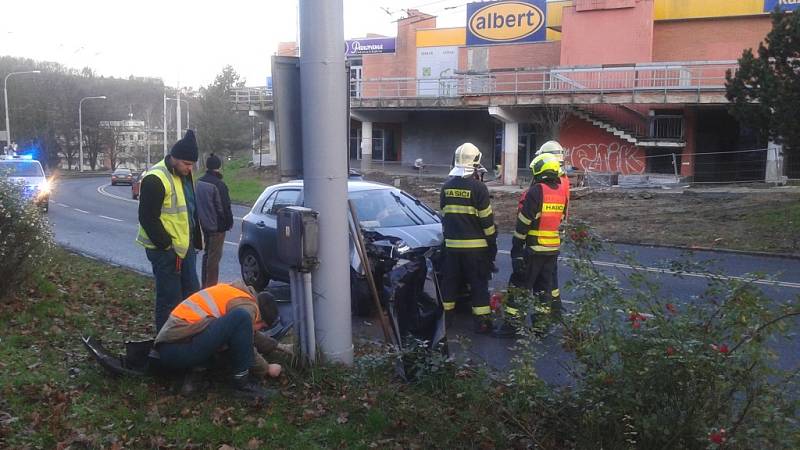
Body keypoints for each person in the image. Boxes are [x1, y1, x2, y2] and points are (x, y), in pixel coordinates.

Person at [154, 282, 284, 400]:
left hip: (174, 345)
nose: (260, 330)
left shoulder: (239, 296)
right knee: (241, 318)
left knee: (238, 325)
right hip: (177, 348)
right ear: (260, 318)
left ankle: (195, 376)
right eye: (263, 327)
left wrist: (277, 346)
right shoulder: (248, 309)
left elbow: (249, 334)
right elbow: (247, 342)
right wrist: (266, 368)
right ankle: (242, 384)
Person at [137, 129, 203, 334]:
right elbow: (147, 218)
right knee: (169, 300)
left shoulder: (185, 174)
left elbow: (189, 210)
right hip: (165, 250)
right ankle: (165, 343)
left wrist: (196, 240)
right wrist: (167, 245)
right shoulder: (155, 179)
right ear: (175, 158)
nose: (189, 168)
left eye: (192, 164)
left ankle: (189, 338)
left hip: (185, 248)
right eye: (186, 164)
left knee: (192, 296)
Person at [497, 153, 568, 336]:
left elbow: (524, 221)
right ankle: (541, 327)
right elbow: (561, 219)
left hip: (533, 249)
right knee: (543, 290)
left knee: (519, 286)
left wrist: (516, 248)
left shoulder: (537, 191)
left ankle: (511, 326)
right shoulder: (561, 192)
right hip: (552, 249)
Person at [439, 143, 498, 335]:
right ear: (475, 162)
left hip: (451, 249)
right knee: (479, 285)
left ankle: (444, 323)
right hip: (476, 250)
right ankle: (482, 324)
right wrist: (492, 243)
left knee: (450, 285)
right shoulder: (479, 188)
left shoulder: (446, 187)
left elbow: (444, 216)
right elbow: (487, 222)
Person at [533, 141, 570, 306]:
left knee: (546, 275)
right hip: (555, 230)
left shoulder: (555, 180)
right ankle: (555, 306)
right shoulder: (562, 177)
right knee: (550, 273)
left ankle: (553, 308)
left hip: (543, 233)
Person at [196, 153, 234, 288]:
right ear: (218, 167)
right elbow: (224, 207)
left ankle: (204, 284)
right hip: (217, 227)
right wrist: (229, 223)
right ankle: (210, 288)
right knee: (214, 259)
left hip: (205, 225)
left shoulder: (199, 182)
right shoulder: (219, 185)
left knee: (207, 256)